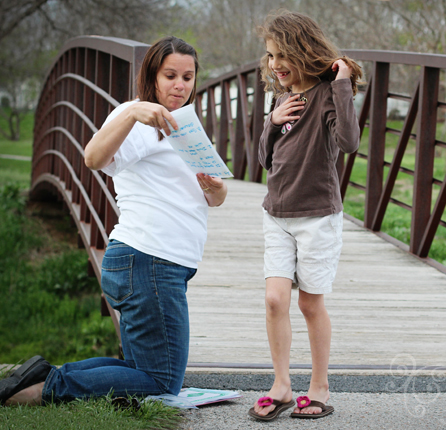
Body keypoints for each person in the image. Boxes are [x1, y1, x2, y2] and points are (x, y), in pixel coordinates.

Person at [0, 36, 227, 406]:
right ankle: (45, 389)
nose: (180, 85)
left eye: (188, 76)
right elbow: (92, 157)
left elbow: (214, 199)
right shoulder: (138, 118)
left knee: (140, 367)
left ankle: (43, 374)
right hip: (149, 261)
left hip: (161, 265)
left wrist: (214, 189)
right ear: (152, 76)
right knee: (162, 381)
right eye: (170, 75)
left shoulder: (184, 124)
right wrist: (132, 113)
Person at [248, 11, 362, 421]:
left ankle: (319, 386)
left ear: (303, 51)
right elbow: (263, 160)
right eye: (269, 56)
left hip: (317, 216)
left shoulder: (329, 95)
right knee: (275, 299)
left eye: (282, 55)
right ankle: (281, 385)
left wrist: (343, 83)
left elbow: (349, 142)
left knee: (311, 305)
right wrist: (272, 124)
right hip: (276, 212)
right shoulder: (280, 98)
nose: (275, 64)